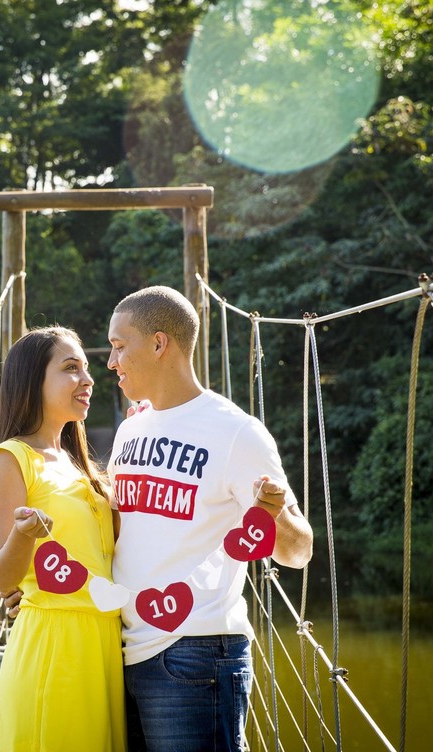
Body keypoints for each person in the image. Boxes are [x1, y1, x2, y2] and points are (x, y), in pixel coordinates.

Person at [106, 285, 314, 752]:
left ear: (160, 344)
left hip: (196, 653)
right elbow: (121, 533)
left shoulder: (237, 432)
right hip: (123, 647)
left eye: (120, 346)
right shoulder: (129, 430)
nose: (111, 362)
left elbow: (298, 553)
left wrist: (273, 512)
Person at [0, 325, 126, 751]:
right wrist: (24, 536)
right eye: (70, 368)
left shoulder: (81, 466)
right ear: (32, 382)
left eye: (86, 368)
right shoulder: (12, 459)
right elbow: (4, 577)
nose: (88, 379)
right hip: (54, 646)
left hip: (102, 641)